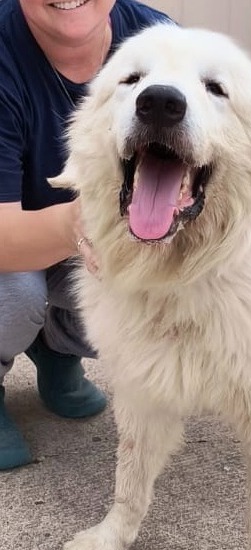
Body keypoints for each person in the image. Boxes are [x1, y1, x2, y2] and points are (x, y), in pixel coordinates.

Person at [0, 0, 173, 470]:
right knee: (15, 295)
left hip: (86, 231)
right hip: (12, 248)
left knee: (153, 291)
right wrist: (80, 224)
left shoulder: (160, 39)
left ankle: (56, 350)